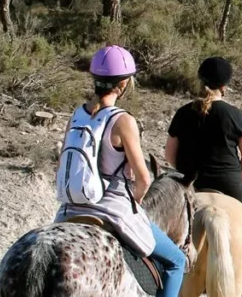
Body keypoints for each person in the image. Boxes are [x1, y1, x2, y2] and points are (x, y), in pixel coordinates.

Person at [54, 45, 186, 297]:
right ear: (123, 84)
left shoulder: (76, 115)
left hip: (70, 209)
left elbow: (61, 165)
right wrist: (134, 201)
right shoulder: (123, 120)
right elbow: (144, 178)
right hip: (113, 209)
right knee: (176, 261)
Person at [164, 56, 242, 281]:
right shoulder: (233, 114)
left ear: (200, 81)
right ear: (224, 86)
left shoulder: (183, 112)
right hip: (227, 182)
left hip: (191, 182)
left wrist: (187, 170)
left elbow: (169, 155)